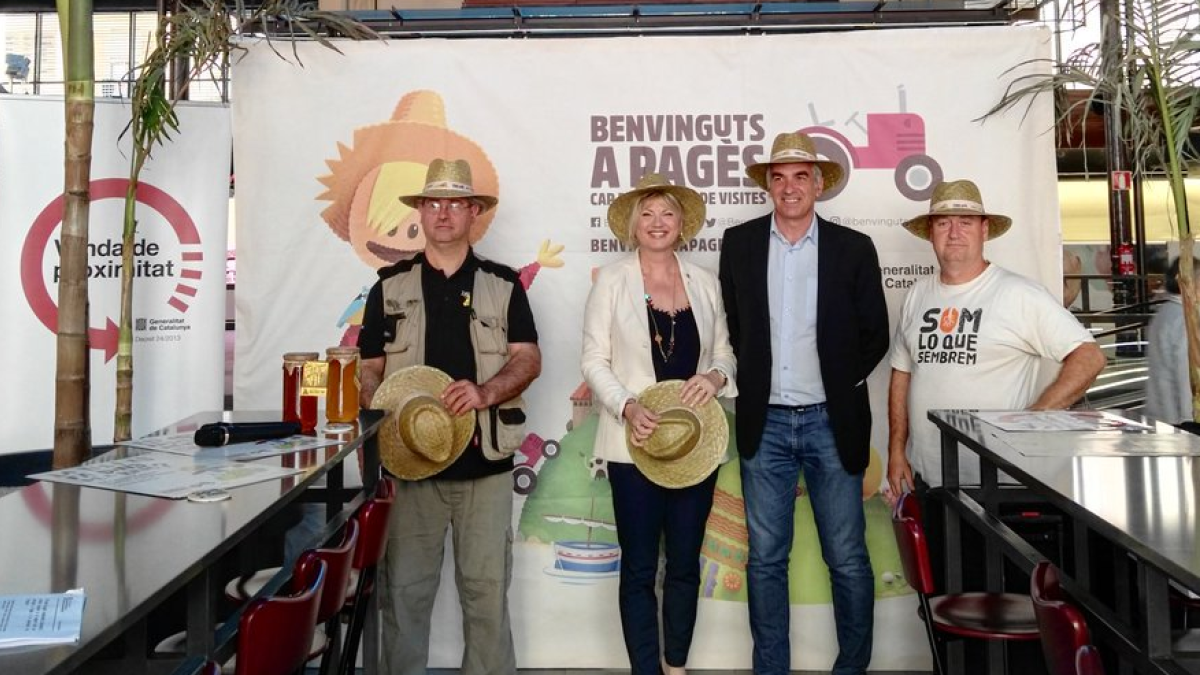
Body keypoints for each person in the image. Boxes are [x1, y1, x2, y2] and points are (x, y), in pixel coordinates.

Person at [357, 158, 541, 675]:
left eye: (455, 203)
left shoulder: (503, 285)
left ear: (473, 214)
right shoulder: (387, 287)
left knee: (486, 596)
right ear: (420, 211)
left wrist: (485, 392)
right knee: (405, 596)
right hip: (408, 467)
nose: (443, 213)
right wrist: (386, 403)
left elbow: (528, 358)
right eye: (433, 202)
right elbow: (368, 367)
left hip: (484, 464)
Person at [718, 132, 889, 675]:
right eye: (778, 176)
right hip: (763, 423)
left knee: (846, 558)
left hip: (830, 422)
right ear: (768, 185)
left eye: (800, 176)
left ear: (819, 184)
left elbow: (876, 334)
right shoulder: (738, 243)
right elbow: (736, 326)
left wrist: (835, 384)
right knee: (766, 560)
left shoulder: (853, 248)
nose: (789, 187)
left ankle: (852, 668)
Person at [581, 173, 737, 675]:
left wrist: (715, 377)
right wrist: (627, 405)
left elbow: (725, 353)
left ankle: (677, 666)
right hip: (635, 444)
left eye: (666, 212)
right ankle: (645, 669)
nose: (656, 222)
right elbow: (593, 359)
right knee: (640, 568)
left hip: (697, 444)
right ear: (632, 225)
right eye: (646, 213)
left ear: (681, 224)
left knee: (686, 565)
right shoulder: (611, 280)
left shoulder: (706, 283)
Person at [886, 179, 1106, 493]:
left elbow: (1090, 357)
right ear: (930, 233)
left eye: (966, 223)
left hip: (997, 481)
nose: (954, 233)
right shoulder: (917, 295)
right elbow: (901, 373)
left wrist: (1035, 417)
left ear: (984, 230)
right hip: (928, 476)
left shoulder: (1018, 294)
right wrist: (896, 450)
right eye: (944, 223)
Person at [1146, 256, 1197, 424]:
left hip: (1161, 413)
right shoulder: (1186, 320)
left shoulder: (1164, 313)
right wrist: (1190, 417)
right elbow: (1185, 371)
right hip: (1180, 418)